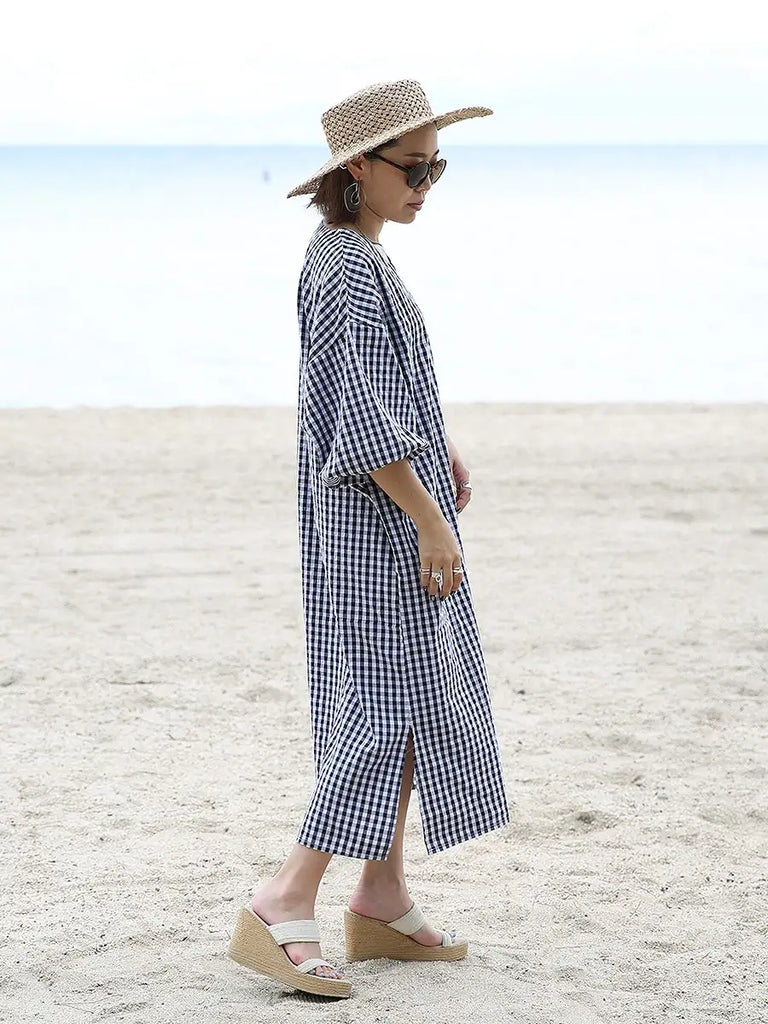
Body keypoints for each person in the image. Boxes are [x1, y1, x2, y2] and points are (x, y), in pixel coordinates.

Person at [227, 79, 510, 999]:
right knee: (382, 712)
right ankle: (284, 895)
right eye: (413, 168)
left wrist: (438, 441)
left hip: (381, 508)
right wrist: (427, 516)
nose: (427, 185)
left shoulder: (356, 254)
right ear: (357, 166)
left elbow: (380, 385)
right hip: (375, 523)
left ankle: (381, 896)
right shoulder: (346, 265)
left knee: (411, 698)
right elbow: (358, 416)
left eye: (438, 168)